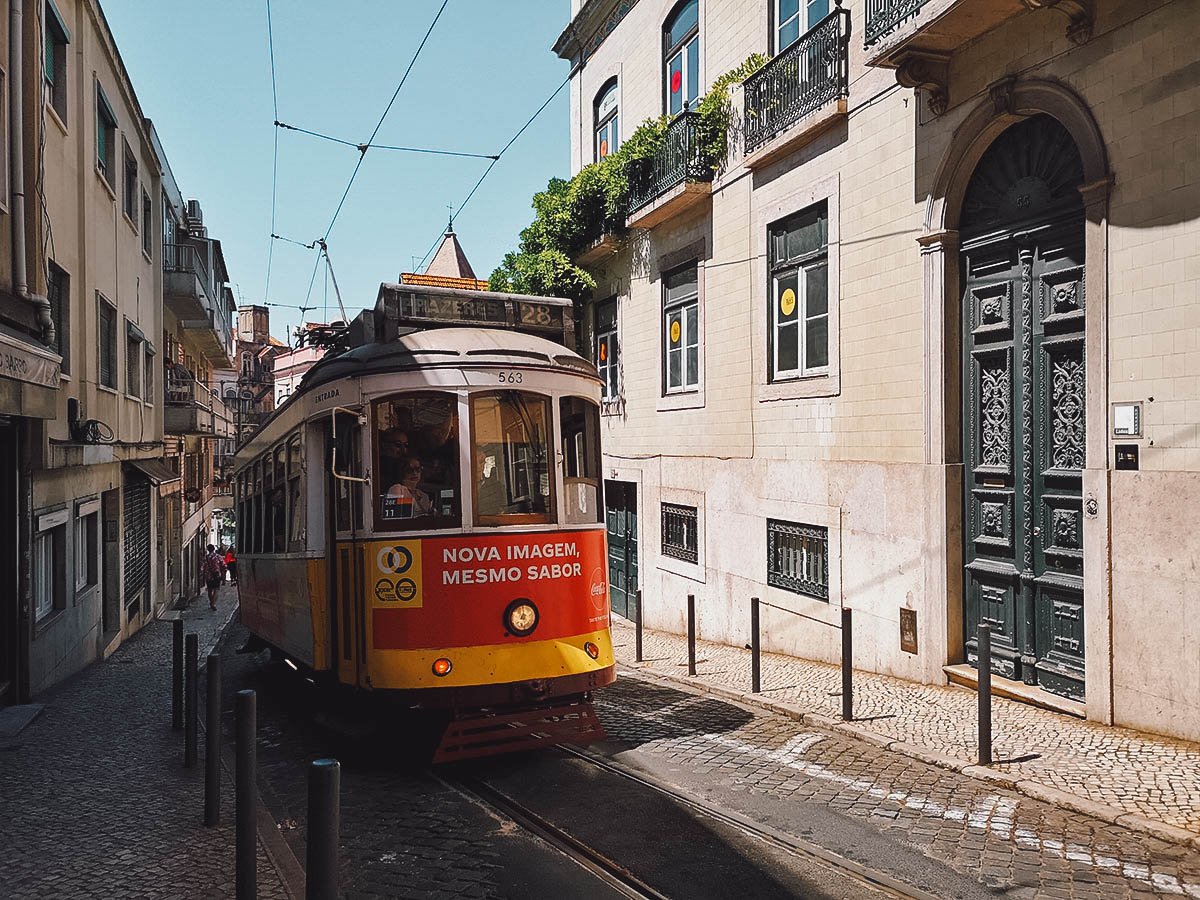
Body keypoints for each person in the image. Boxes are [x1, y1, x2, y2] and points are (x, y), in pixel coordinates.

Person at [201, 544, 226, 611]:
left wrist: (204, 573)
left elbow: (202, 567)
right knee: (216, 589)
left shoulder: (206, 557)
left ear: (208, 549)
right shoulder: (218, 556)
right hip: (216, 574)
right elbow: (224, 565)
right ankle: (213, 603)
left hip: (208, 576)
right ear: (214, 549)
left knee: (209, 590)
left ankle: (211, 602)